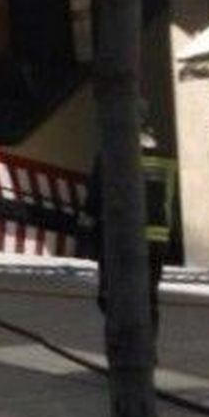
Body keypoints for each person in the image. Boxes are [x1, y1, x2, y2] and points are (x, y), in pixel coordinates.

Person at [81, 104, 179, 334]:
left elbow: (94, 200)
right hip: (156, 240)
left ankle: (123, 351)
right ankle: (147, 350)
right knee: (148, 297)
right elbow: (169, 200)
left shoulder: (110, 154)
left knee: (112, 296)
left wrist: (87, 237)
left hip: (119, 238)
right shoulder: (166, 157)